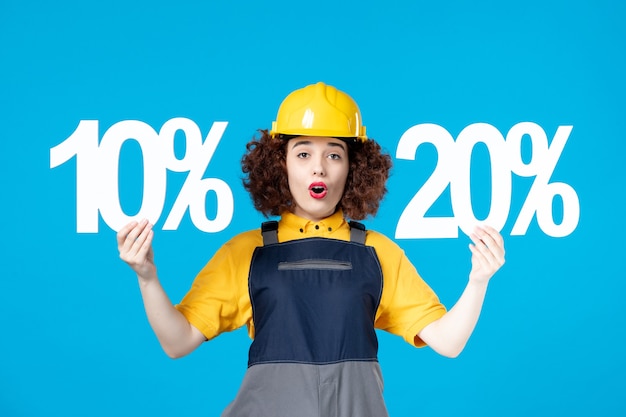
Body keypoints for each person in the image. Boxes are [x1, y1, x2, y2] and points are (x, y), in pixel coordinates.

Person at [117, 82, 505, 416]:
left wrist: (478, 280)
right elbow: (177, 341)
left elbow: (449, 342)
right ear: (280, 164)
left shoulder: (378, 253)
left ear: (353, 167)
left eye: (333, 154)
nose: (318, 168)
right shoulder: (247, 252)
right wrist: (147, 277)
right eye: (303, 153)